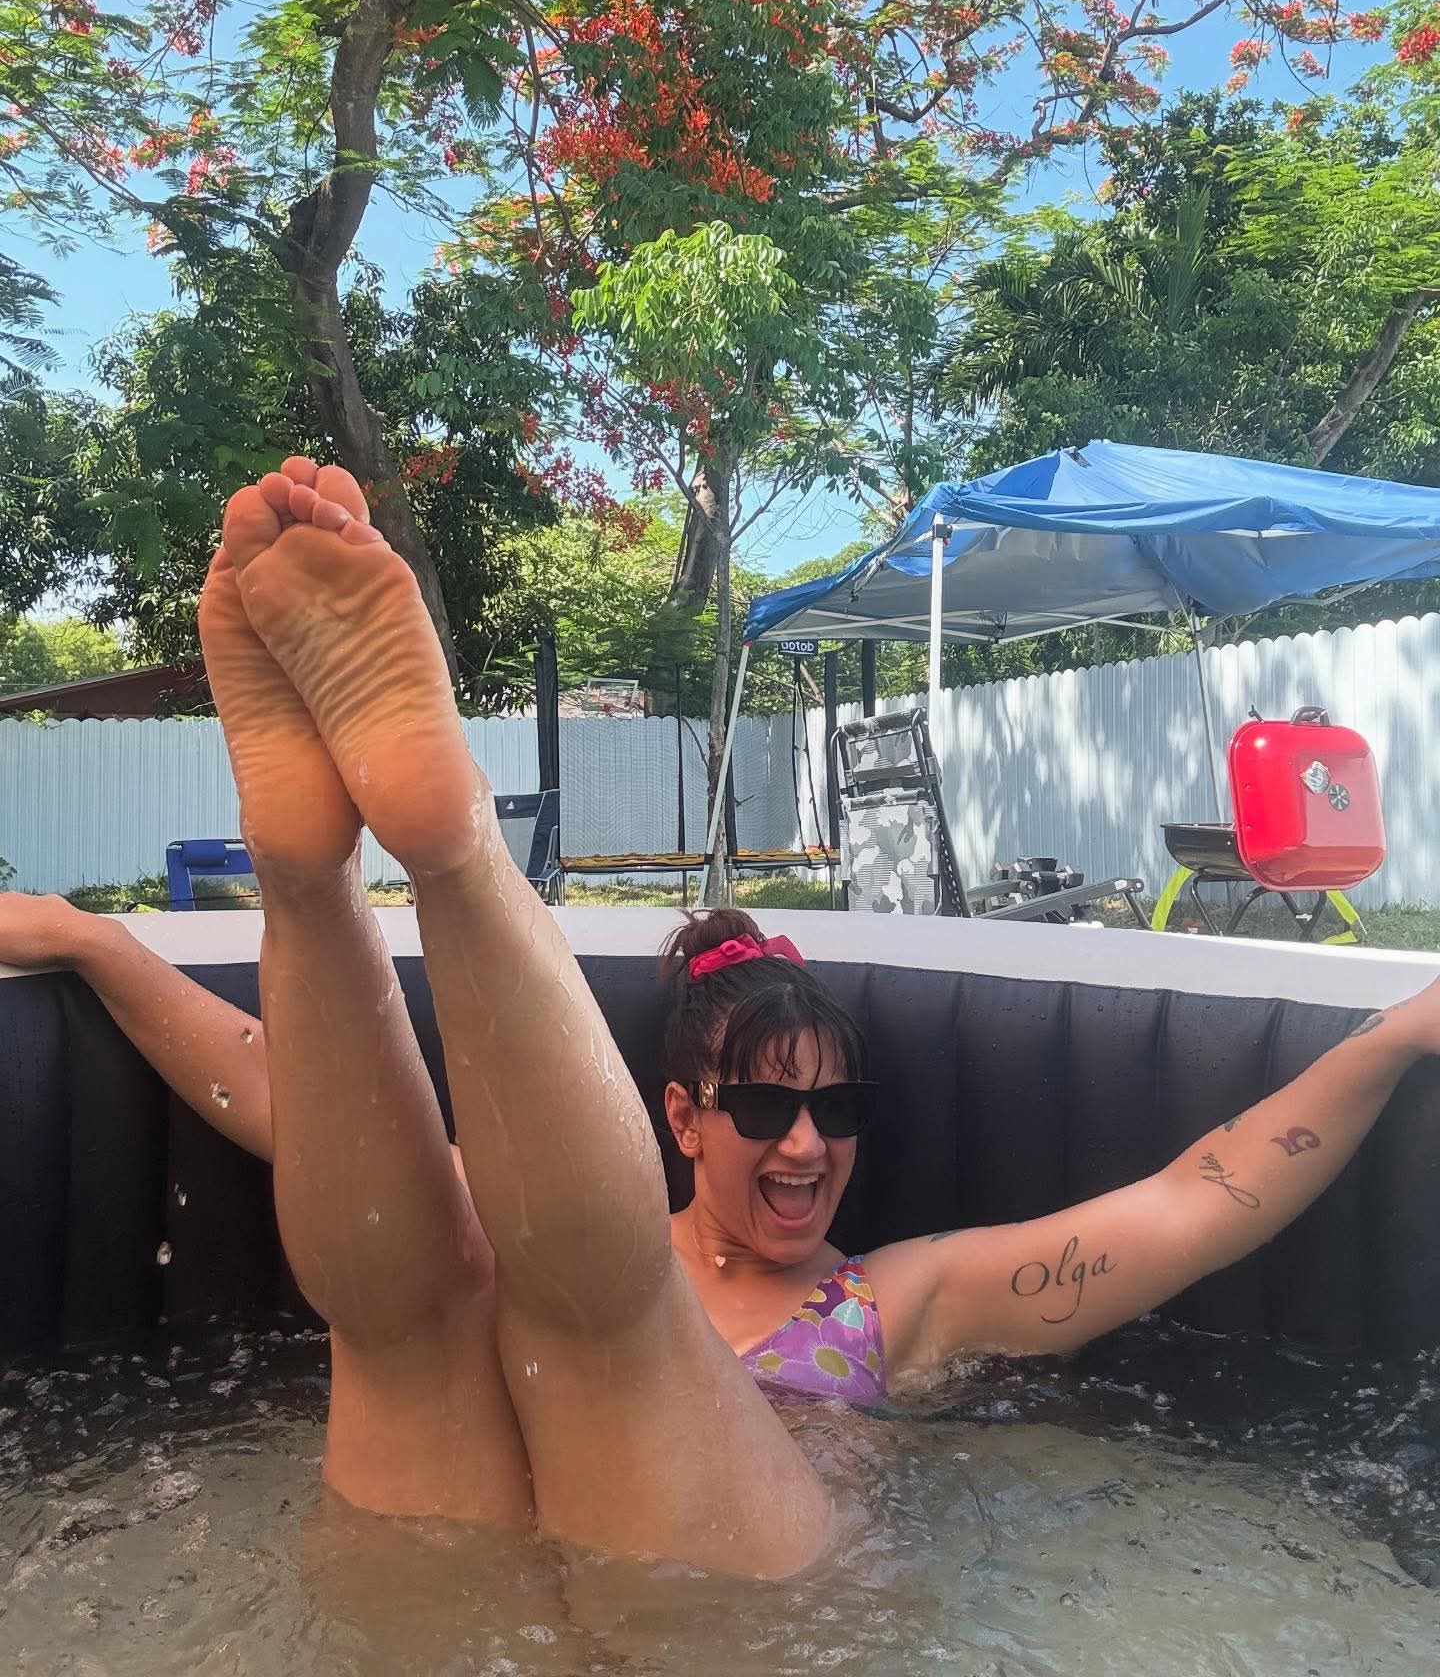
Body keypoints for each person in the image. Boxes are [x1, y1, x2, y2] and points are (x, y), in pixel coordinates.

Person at [4, 454, 1439, 1578]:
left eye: (836, 1106)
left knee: (547, 1314)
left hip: (689, 1604)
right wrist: (87, 940)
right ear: (682, 1117)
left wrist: (1388, 1038)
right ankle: (322, 878)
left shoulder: (904, 1303)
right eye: (764, 1105)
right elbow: (283, 1090)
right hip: (530, 1586)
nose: (808, 1143)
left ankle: (430, 854)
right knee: (432, 1306)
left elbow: (1190, 1201)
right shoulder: (559, 1208)